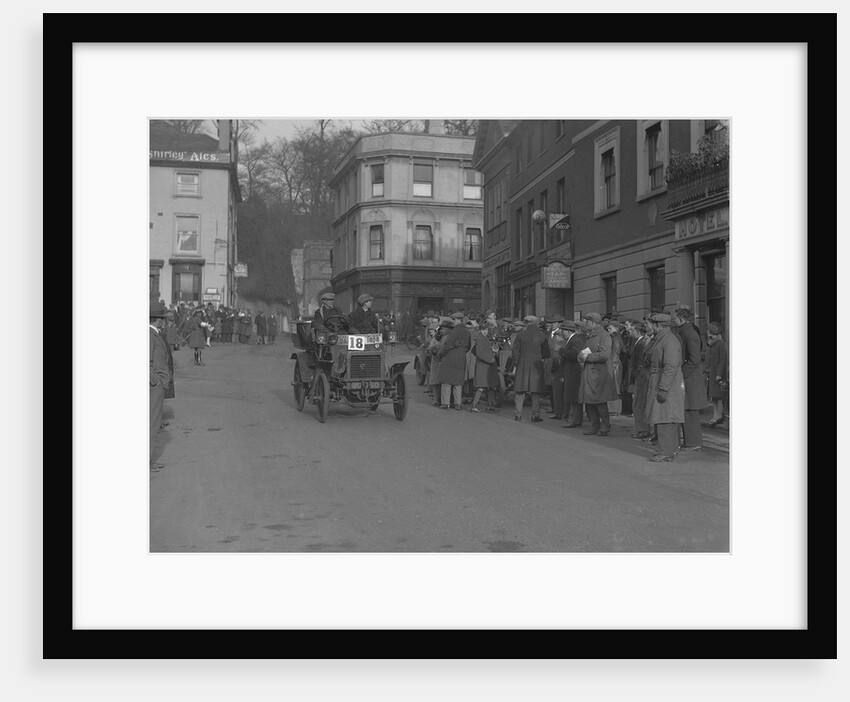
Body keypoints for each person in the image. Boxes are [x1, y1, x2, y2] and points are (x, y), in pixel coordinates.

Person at [644, 313, 686, 462]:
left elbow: (670, 367)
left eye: (653, 324)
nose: (650, 327)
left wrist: (663, 388)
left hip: (667, 382)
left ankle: (666, 451)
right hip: (664, 380)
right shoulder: (663, 339)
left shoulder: (669, 341)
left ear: (658, 325)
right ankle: (669, 449)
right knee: (665, 416)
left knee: (665, 417)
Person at [672, 305, 709, 451]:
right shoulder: (684, 331)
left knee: (690, 411)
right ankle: (690, 441)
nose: (673, 321)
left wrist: (681, 373)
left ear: (681, 319)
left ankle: (694, 442)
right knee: (686, 410)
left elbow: (694, 359)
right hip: (687, 378)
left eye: (675, 319)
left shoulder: (690, 333)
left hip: (690, 379)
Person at [577, 312, 618, 436]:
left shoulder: (604, 336)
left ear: (594, 323)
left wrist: (587, 357)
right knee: (589, 401)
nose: (585, 324)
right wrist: (580, 355)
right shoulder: (589, 336)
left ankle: (605, 426)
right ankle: (594, 425)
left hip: (599, 373)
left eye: (587, 322)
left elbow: (605, 355)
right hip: (589, 372)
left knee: (600, 401)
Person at [511, 314, 550, 422]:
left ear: (527, 323)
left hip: (522, 364)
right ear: (536, 323)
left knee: (520, 390)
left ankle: (518, 414)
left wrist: (516, 364)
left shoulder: (521, 335)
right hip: (536, 365)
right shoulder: (542, 336)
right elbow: (546, 353)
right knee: (536, 390)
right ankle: (535, 414)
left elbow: (515, 351)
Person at [149, 301, 172, 473]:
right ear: (158, 320)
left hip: (156, 385)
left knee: (152, 422)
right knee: (152, 423)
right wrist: (156, 380)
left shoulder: (153, 333)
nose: (164, 321)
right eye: (162, 319)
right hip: (154, 386)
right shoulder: (150, 335)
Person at [437, 314, 471, 410]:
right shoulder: (467, 332)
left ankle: (446, 403)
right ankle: (458, 403)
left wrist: (441, 354)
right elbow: (468, 346)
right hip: (461, 356)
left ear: (457, 320)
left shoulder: (454, 331)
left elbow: (448, 345)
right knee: (458, 381)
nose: (453, 321)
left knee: (446, 381)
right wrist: (462, 352)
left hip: (450, 357)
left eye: (453, 320)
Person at [558, 319, 587, 429]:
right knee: (573, 396)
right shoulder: (573, 340)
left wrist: (561, 351)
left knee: (573, 397)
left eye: (563, 330)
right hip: (572, 371)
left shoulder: (575, 340)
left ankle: (573, 420)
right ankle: (576, 420)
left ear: (568, 331)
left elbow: (574, 354)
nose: (561, 332)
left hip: (574, 372)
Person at [629, 320, 653, 439]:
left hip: (641, 377)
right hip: (642, 375)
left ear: (637, 331)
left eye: (632, 330)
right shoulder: (641, 342)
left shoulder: (640, 344)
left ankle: (642, 429)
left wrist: (634, 375)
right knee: (640, 402)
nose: (630, 332)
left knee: (639, 403)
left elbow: (639, 362)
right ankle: (642, 428)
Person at [469, 322, 500, 412]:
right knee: (482, 387)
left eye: (486, 330)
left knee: (488, 386)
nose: (485, 332)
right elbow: (479, 353)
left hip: (484, 366)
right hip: (485, 366)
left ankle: (489, 405)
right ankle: (474, 405)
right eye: (483, 330)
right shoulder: (481, 339)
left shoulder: (481, 339)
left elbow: (473, 351)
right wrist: (491, 359)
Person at [704, 322, 728, 427]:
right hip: (711, 372)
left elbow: (723, 360)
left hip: (717, 373)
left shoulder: (721, 344)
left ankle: (718, 416)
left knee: (718, 396)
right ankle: (715, 415)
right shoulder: (710, 343)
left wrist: (719, 374)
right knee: (713, 396)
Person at [426, 321, 447, 405]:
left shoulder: (446, 337)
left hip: (443, 360)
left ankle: (442, 399)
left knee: (442, 381)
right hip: (435, 360)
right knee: (435, 381)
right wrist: (433, 349)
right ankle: (436, 399)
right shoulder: (435, 338)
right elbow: (430, 347)